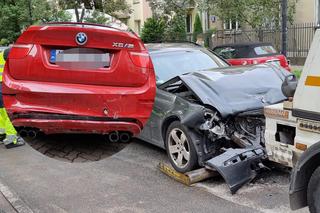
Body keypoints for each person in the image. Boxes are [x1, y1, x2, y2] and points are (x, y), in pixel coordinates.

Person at [0, 48, 25, 149]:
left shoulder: (3, 53)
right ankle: (11, 140)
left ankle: (2, 134)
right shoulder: (11, 52)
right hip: (3, 86)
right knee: (9, 115)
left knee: (1, 114)